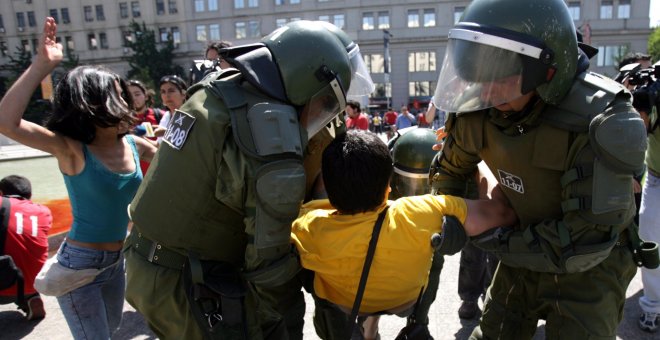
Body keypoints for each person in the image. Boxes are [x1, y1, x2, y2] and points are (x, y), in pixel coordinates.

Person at [123, 20, 375, 340]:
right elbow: (268, 269)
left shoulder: (219, 90)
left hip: (146, 262)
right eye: (325, 101)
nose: (325, 113)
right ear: (305, 83)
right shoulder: (269, 134)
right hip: (186, 284)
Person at [429, 0, 650, 338]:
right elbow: (449, 172)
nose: (486, 90)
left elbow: (583, 242)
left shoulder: (600, 122)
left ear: (546, 70)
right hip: (521, 251)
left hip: (591, 270)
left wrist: (491, 235)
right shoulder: (480, 109)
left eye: (500, 75)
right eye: (479, 74)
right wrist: (449, 213)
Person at [0, 17, 157, 339]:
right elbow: (6, 123)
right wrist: (41, 65)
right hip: (79, 266)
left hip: (117, 260)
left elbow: (178, 160)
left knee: (111, 331)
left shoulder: (133, 143)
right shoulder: (71, 149)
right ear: (93, 102)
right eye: (116, 94)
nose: (125, 100)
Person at [291, 130, 517, 340]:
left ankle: (363, 327)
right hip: (405, 301)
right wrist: (477, 159)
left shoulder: (307, 224)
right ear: (389, 187)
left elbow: (318, 192)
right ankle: (419, 319)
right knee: (434, 250)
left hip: (344, 304)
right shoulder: (422, 213)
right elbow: (502, 212)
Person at [0, 175, 52, 320]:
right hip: (33, 284)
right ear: (29, 195)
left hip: (3, 286)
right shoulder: (44, 211)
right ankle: (32, 298)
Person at [127, 79, 162, 174]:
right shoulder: (123, 121)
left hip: (158, 173)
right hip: (135, 177)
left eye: (137, 94)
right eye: (129, 96)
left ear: (146, 96)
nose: (133, 98)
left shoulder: (161, 115)